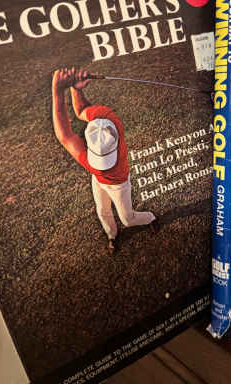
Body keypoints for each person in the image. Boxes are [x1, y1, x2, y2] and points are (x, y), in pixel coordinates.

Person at [52, 67, 157, 254]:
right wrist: (76, 88)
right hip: (98, 180)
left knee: (128, 219)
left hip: (119, 185)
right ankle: (112, 236)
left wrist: (57, 90)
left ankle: (150, 218)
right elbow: (82, 110)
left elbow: (65, 135)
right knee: (102, 211)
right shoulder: (109, 118)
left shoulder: (98, 164)